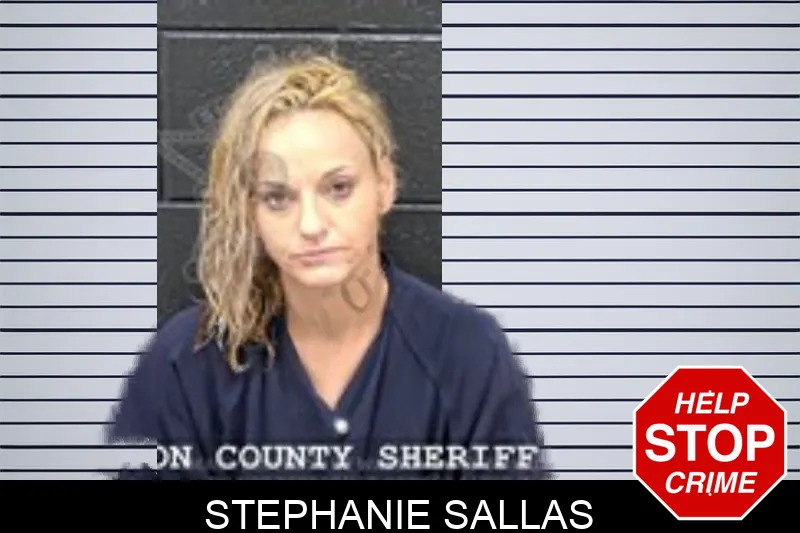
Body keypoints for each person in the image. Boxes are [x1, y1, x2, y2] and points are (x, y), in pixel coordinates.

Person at [107, 51, 551, 479]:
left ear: (384, 184)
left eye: (338, 188)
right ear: (249, 211)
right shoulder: (187, 366)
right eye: (278, 198)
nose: (312, 225)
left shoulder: (467, 355)